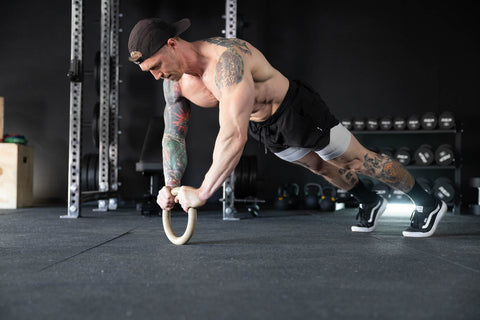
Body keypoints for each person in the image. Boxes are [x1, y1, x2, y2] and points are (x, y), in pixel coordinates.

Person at [128, 18, 447, 237]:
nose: (156, 76)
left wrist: (204, 192)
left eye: (156, 66)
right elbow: (173, 134)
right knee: (322, 168)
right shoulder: (174, 85)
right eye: (149, 71)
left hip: (296, 110)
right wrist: (169, 185)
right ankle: (368, 200)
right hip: (265, 127)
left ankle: (427, 201)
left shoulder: (227, 61)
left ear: (171, 44)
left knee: (355, 161)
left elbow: (232, 135)